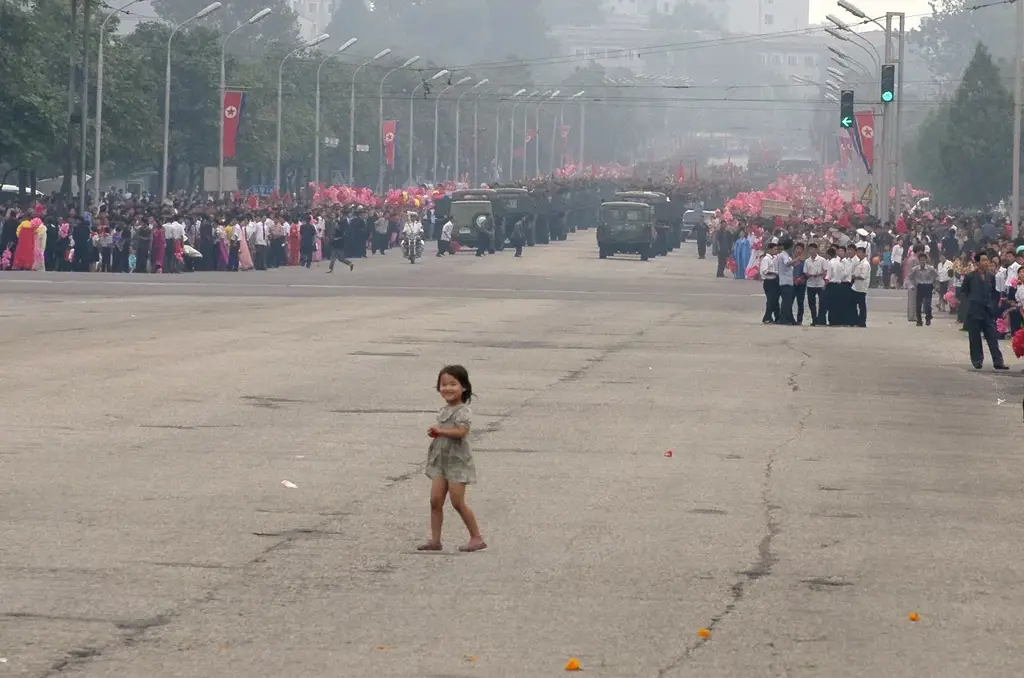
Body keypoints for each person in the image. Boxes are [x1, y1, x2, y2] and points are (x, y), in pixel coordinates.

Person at [418, 365, 486, 553]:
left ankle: (476, 537)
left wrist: (441, 430)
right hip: (441, 460)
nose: (447, 388)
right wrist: (437, 433)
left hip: (457, 461)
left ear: (463, 387)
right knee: (435, 500)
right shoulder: (444, 410)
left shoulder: (463, 411)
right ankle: (435, 540)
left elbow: (461, 432)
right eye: (443, 384)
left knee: (457, 501)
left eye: (452, 384)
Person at [961, 252, 1008, 370]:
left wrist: (992, 306)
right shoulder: (970, 276)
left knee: (992, 337)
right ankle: (977, 360)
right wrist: (970, 304)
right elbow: (964, 292)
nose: (986, 262)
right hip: (974, 311)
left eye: (987, 260)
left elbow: (994, 292)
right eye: (983, 260)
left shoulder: (991, 276)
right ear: (977, 263)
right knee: (975, 338)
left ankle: (998, 362)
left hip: (987, 311)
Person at [906, 251, 937, 326]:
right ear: (918, 260)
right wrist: (911, 286)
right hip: (919, 287)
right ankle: (919, 321)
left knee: (927, 304)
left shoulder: (930, 269)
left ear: (926, 260)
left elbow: (936, 277)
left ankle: (928, 317)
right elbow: (909, 278)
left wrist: (935, 287)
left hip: (928, 287)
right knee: (918, 305)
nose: (922, 261)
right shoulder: (915, 269)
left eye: (923, 260)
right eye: (920, 260)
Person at [803, 243, 826, 326]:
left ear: (816, 250)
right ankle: (814, 319)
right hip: (810, 284)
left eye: (813, 249)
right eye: (810, 249)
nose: (811, 251)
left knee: (822, 302)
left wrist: (819, 274)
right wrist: (810, 275)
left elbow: (825, 271)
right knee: (811, 303)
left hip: (820, 284)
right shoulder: (807, 261)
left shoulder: (822, 260)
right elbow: (805, 272)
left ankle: (821, 320)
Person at [776, 238, 796, 325]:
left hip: (787, 280)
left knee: (787, 301)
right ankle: (783, 318)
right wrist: (797, 259)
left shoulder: (786, 255)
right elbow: (787, 263)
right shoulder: (783, 255)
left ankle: (789, 318)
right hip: (785, 281)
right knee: (786, 301)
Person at [760, 240, 779, 324]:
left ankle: (776, 317)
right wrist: (775, 273)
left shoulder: (774, 258)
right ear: (770, 250)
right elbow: (764, 271)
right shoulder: (766, 259)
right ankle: (767, 317)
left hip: (775, 281)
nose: (776, 251)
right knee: (771, 300)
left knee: (775, 300)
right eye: (774, 249)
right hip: (769, 281)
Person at [851, 244, 870, 327]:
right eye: (857, 252)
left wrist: (855, 276)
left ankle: (862, 321)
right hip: (856, 286)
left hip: (862, 287)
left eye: (860, 253)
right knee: (854, 305)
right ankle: (856, 320)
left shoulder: (865, 264)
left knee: (862, 305)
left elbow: (863, 276)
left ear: (864, 254)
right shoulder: (858, 262)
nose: (858, 254)